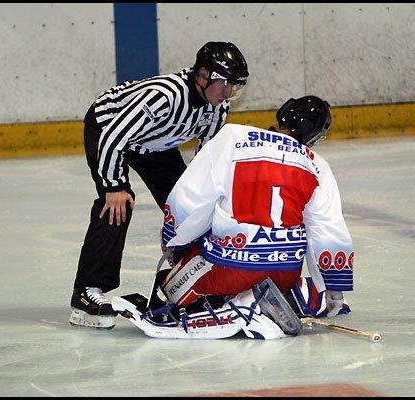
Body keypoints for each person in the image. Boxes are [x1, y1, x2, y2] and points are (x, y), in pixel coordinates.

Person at [112, 95, 355, 339]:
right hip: (284, 272)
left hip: (229, 268)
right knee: (308, 288)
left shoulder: (233, 137)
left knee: (170, 287)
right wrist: (334, 292)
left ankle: (234, 305)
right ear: (315, 136)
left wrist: (173, 244)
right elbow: (328, 231)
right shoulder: (318, 166)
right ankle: (273, 300)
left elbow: (191, 199)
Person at [69, 42, 249, 329]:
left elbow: (206, 163)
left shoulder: (217, 108)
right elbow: (114, 137)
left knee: (189, 206)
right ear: (202, 76)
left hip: (155, 143)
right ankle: (87, 294)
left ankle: (192, 281)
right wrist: (114, 186)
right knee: (117, 205)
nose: (228, 93)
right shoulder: (164, 97)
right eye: (224, 83)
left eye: (234, 85)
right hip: (108, 129)